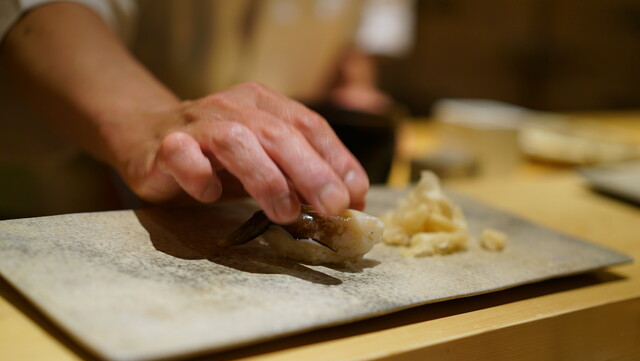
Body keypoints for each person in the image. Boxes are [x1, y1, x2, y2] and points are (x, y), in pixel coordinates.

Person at [0, 0, 414, 222]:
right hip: (72, 189)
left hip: (264, 195)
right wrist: (152, 125)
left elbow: (359, 37)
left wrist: (356, 95)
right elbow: (44, 11)